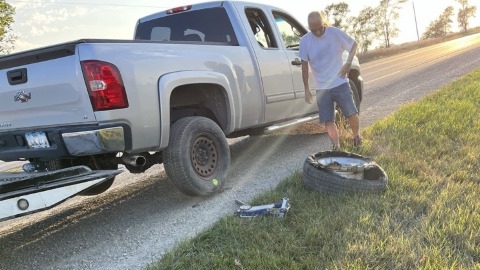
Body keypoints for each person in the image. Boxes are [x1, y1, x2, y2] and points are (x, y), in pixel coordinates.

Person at [299, 11, 362, 150]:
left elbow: (354, 45)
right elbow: (304, 67)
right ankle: (337, 147)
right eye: (313, 30)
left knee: (351, 112)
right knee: (328, 120)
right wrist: (306, 89)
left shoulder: (334, 33)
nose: (318, 32)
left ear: (324, 23)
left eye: (320, 28)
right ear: (309, 28)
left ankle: (357, 137)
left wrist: (348, 63)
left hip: (340, 82)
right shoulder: (305, 41)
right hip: (321, 87)